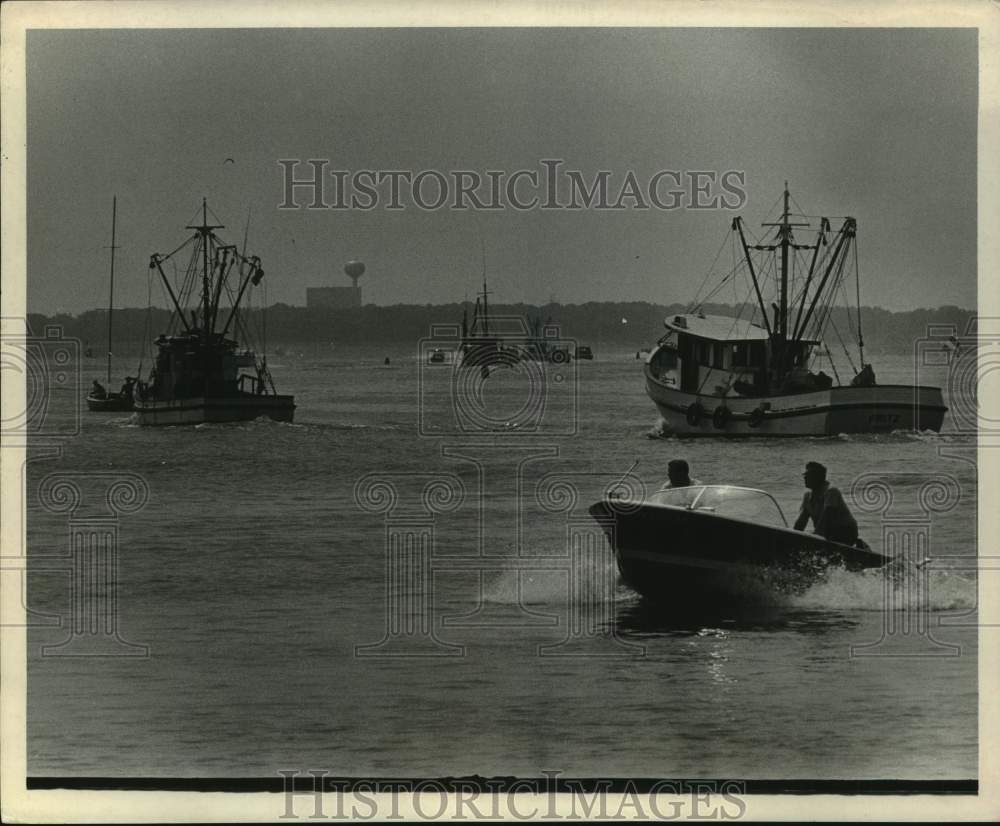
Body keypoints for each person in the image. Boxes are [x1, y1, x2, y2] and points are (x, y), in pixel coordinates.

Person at [793, 461, 858, 546]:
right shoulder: (807, 496)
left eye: (809, 475)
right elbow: (800, 524)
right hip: (827, 533)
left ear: (818, 477)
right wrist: (793, 537)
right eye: (805, 475)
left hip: (846, 532)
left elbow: (827, 518)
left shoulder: (831, 492)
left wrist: (814, 538)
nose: (805, 477)